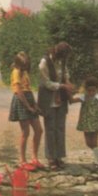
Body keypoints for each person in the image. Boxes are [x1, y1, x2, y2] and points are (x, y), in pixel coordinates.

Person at [37, 42, 74, 170]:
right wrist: (62, 86)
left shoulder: (62, 61)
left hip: (61, 99)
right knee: (50, 129)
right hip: (49, 99)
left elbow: (65, 73)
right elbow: (46, 82)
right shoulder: (44, 62)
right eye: (64, 57)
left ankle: (59, 156)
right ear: (59, 54)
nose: (65, 60)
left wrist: (68, 82)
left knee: (60, 128)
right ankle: (51, 158)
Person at [7, 51, 44, 169]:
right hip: (21, 100)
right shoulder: (16, 72)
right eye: (23, 65)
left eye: (26, 64)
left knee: (39, 130)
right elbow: (19, 91)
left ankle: (34, 158)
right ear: (18, 64)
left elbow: (28, 88)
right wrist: (28, 107)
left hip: (29, 98)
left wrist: (35, 105)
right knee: (25, 132)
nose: (25, 66)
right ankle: (22, 160)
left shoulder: (25, 72)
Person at [71, 76, 98, 171]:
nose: (91, 93)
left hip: (96, 123)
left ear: (97, 89)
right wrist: (70, 92)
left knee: (94, 143)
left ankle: (97, 162)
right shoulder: (83, 97)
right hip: (86, 123)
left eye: (93, 90)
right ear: (86, 90)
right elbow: (72, 101)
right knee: (88, 143)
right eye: (89, 90)